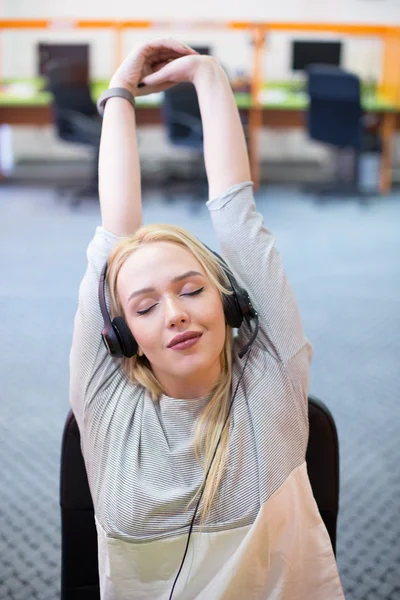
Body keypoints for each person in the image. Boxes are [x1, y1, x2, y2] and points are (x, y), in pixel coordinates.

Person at [69, 38, 345, 599]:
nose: (174, 315)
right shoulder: (107, 404)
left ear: (229, 304)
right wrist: (119, 93)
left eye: (193, 290)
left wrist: (209, 75)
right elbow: (114, 234)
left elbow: (238, 221)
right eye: (144, 308)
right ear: (123, 337)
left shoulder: (272, 379)